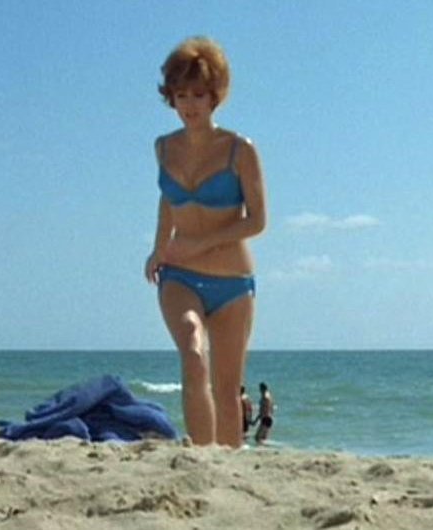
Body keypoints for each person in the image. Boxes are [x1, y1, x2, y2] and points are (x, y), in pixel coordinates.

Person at [144, 37, 268, 448]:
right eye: (181, 95)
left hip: (233, 283)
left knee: (228, 389)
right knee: (194, 354)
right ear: (171, 97)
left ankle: (228, 469)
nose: (190, 104)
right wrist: (159, 247)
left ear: (215, 96)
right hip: (179, 275)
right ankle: (200, 458)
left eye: (198, 94)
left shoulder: (239, 150)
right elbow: (169, 200)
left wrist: (201, 244)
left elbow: (257, 220)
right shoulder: (164, 148)